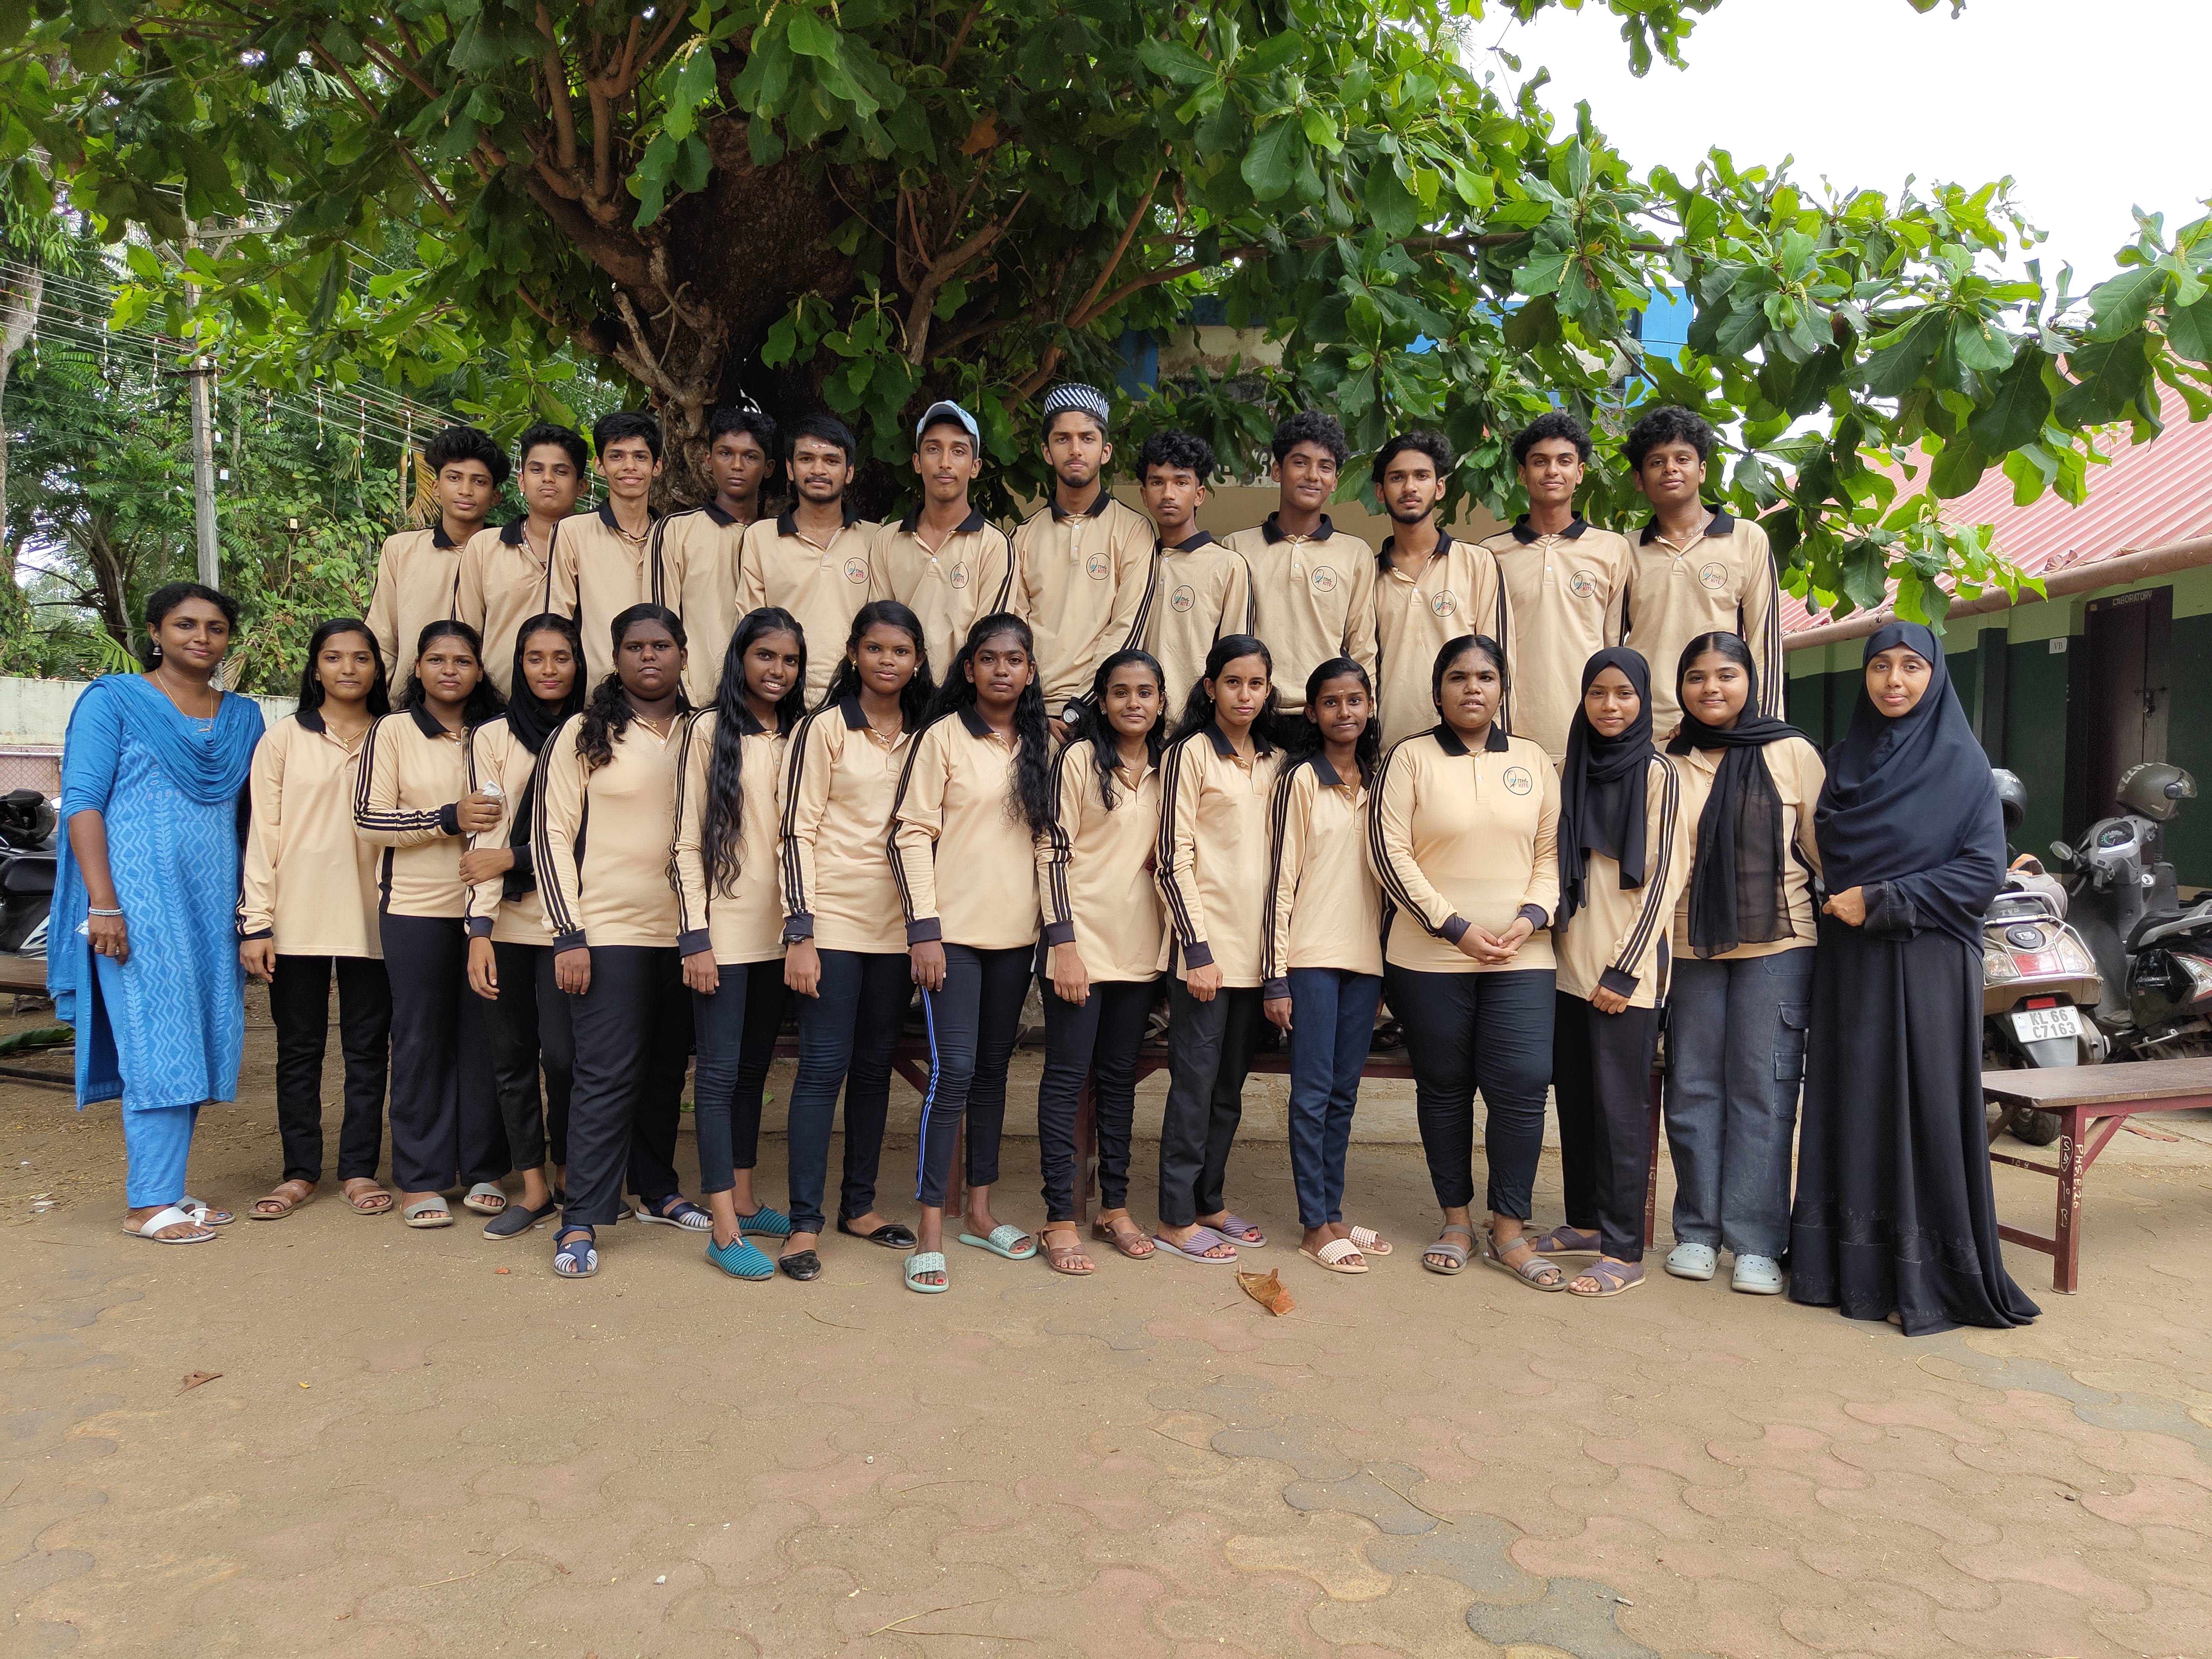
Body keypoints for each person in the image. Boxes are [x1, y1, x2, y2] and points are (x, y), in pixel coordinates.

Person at [1790, 622, 2040, 1335]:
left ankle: (1926, 1275)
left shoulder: (1964, 767)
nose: (1892, 681)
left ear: (1934, 677)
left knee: (1923, 1108)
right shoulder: (1842, 763)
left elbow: (1980, 874)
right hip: (1852, 965)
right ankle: (1846, 1270)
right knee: (1854, 1103)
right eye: (1879, 667)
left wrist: (1880, 898)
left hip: (1928, 964)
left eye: (1909, 666)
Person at [53, 583, 263, 1243]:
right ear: (155, 632)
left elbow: (254, 817)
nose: (201, 637)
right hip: (138, 901)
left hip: (214, 903)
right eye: (185, 624)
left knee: (202, 1039)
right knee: (158, 1041)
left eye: (215, 627)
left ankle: (167, 1188)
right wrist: (104, 903)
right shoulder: (113, 700)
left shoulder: (244, 718)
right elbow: (83, 802)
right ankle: (147, 1204)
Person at [1368, 635, 1561, 1287]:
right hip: (1428, 958)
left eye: (1484, 676)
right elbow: (1388, 852)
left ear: (1502, 687)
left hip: (1522, 955)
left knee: (1523, 1084)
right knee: (1444, 1087)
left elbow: (1551, 853)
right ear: (1437, 690)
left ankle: (1508, 1229)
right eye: (1457, 677)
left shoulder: (1532, 760)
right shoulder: (1409, 758)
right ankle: (1455, 1221)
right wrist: (1452, 927)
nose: (1471, 688)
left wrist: (1528, 919)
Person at [535, 605, 704, 1277]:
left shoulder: (704, 730)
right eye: (635, 646)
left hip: (689, 934)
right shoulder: (584, 733)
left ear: (683, 654)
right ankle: (581, 1218)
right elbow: (550, 835)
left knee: (666, 1071)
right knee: (605, 1075)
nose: (649, 657)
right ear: (616, 657)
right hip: (608, 932)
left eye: (661, 645)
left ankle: (658, 1191)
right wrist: (568, 934)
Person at [1660, 632, 1825, 1295]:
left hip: (1778, 947)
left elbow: (1823, 850)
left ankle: (1757, 1242)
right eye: (1696, 677)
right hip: (1686, 945)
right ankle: (1697, 1233)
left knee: (1763, 1090)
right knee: (1692, 1087)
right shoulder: (1666, 760)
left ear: (1749, 682)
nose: (1710, 688)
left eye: (1725, 675)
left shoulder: (1790, 753)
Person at [892, 614, 1054, 1289]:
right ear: (968, 669)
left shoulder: (1043, 744)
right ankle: (930, 1226)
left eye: (1014, 660)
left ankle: (980, 1214)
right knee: (952, 1071)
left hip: (1015, 939)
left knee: (991, 1072)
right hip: (951, 938)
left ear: (1030, 671)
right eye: (988, 659)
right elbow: (909, 834)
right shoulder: (941, 738)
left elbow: (1050, 843)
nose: (1001, 670)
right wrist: (923, 930)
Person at [776, 601, 936, 1279]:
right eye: (875, 648)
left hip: (898, 930)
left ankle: (859, 1207)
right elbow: (795, 830)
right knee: (822, 1070)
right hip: (833, 923)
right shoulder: (823, 730)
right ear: (852, 654)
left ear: (917, 662)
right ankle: (803, 1225)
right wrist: (800, 930)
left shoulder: (928, 733)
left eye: (900, 651)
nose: (886, 661)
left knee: (874, 1070)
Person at [353, 620, 508, 1230]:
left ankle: (485, 1168)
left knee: (486, 1040)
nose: (450, 670)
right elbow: (368, 819)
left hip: (491, 915)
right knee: (420, 1040)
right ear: (416, 668)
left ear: (479, 671)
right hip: (416, 909)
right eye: (437, 660)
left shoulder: (495, 732)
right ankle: (421, 1177)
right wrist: (448, 817)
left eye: (463, 661)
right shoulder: (393, 730)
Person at [238, 617, 394, 1221]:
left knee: (367, 1052)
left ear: (378, 669)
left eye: (361, 657)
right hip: (295, 920)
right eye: (334, 657)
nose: (348, 668)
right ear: (316, 668)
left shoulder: (394, 735)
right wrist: (256, 922)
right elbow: (263, 833)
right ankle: (299, 1173)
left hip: (375, 918)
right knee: (299, 1052)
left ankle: (358, 1169)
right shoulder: (284, 738)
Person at [1546, 647, 1688, 1299]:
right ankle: (1585, 1222)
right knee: (1576, 1104)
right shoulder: (1569, 768)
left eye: (1624, 694)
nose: (1609, 706)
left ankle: (1623, 1249)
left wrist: (1625, 971)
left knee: (1620, 1112)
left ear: (1643, 701)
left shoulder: (1658, 774)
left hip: (1622, 973)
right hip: (1566, 967)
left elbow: (1664, 878)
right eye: (1597, 693)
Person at [674, 607, 809, 1281]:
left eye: (789, 660)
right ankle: (722, 1227)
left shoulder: (803, 733)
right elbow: (683, 842)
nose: (777, 670)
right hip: (722, 935)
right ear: (740, 659)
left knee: (754, 1072)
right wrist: (695, 937)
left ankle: (748, 1200)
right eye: (765, 656)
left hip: (779, 935)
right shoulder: (708, 730)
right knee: (720, 1077)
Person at [1035, 649, 1169, 1266]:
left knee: (1118, 1082)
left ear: (1161, 702)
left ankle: (1113, 1208)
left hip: (1138, 951)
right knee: (1067, 1080)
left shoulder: (1170, 767)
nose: (1132, 703)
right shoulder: (1079, 760)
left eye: (1144, 692)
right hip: (1080, 946)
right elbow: (1051, 849)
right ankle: (1059, 1217)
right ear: (1103, 700)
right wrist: (1064, 945)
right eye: (1120, 692)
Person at [1153, 634, 1285, 1263]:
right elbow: (1171, 858)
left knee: (1228, 1089)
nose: (1244, 695)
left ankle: (1209, 1201)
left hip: (1255, 958)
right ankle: (1175, 1216)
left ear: (1268, 690)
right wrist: (1196, 950)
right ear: (1210, 688)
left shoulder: (1275, 761)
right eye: (1232, 682)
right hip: (1203, 955)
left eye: (1255, 684)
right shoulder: (1189, 754)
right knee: (1194, 1086)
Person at [462, 614, 586, 1239]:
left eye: (561, 657)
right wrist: (479, 929)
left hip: (570, 922)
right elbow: (483, 838)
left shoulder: (595, 731)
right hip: (507, 923)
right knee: (511, 1058)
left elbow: (589, 839)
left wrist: (512, 858)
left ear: (578, 663)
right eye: (535, 658)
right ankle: (533, 1186)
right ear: (518, 665)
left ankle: (568, 1174)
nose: (548, 669)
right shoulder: (493, 737)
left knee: (564, 1058)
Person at [1263, 658, 1389, 1275]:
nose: (1345, 711)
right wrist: (1275, 974)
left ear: (1369, 707)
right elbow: (1279, 879)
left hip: (1365, 962)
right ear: (1312, 712)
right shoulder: (1299, 780)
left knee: (1343, 1094)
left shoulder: (1379, 783)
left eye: (1355, 700)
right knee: (1312, 1094)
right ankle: (1314, 1225)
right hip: (1310, 958)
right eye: (1331, 702)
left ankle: (1333, 1213)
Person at [1481, 413, 1633, 765]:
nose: (1552, 471)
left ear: (1580, 472)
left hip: (1588, 732)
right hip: (1510, 732)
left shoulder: (1612, 549)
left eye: (1564, 461)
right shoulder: (1490, 554)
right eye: (1540, 462)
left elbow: (1613, 646)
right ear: (1522, 473)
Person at [1621, 405, 1781, 736]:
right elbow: (1608, 644)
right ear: (1639, 479)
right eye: (1656, 462)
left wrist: (1762, 729)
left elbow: (1765, 643)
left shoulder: (1746, 539)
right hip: (1643, 727)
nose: (1671, 469)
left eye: (1683, 459)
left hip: (1723, 723)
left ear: (1702, 470)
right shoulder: (1623, 551)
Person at [1011, 382, 1156, 740]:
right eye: (1063, 439)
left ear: (1105, 451)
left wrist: (1082, 705)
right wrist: (1034, 710)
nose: (1076, 450)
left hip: (1104, 712)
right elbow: (1013, 634)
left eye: (1087, 439)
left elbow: (1128, 627)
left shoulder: (1133, 530)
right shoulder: (1022, 537)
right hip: (1033, 716)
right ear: (1047, 452)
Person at [1221, 412, 1377, 717]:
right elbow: (1226, 643)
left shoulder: (1355, 553)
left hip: (1326, 715)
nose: (1313, 476)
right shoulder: (1236, 548)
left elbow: (1363, 647)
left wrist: (1366, 717)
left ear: (1335, 481)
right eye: (1301, 463)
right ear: (1277, 471)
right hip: (1255, 713)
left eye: (1325, 467)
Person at [1369, 432, 1510, 747]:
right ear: (1380, 491)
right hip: (1390, 744)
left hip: (1468, 747)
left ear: (1440, 487)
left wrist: (1497, 748)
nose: (1410, 487)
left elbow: (1498, 664)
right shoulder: (1369, 575)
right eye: (1397, 478)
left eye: (1422, 476)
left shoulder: (1477, 563)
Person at [738, 414, 878, 709]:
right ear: (790, 469)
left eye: (831, 460)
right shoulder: (760, 538)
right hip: (781, 697)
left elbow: (886, 627)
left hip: (857, 698)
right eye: (806, 459)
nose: (818, 470)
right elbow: (752, 629)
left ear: (849, 472)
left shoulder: (876, 539)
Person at [869, 400, 1017, 676]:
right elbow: (879, 630)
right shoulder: (887, 540)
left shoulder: (996, 545)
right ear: (917, 462)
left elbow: (989, 641)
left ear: (975, 467)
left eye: (958, 451)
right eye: (933, 449)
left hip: (963, 696)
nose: (945, 463)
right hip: (900, 693)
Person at [660, 405, 781, 707]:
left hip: (766, 705)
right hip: (694, 702)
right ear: (708, 460)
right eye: (726, 453)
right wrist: (685, 695)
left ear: (768, 468)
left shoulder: (781, 540)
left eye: (750, 456)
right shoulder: (677, 531)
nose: (737, 465)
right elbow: (661, 622)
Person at [367, 426, 506, 688]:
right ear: (436, 487)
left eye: (479, 482)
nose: (466, 490)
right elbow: (382, 641)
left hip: (490, 705)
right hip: (408, 703)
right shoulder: (401, 550)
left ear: (495, 496)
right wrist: (375, 706)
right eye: (454, 478)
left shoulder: (512, 556)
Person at [456, 423, 585, 696]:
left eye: (561, 471)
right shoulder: (485, 547)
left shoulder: (598, 549)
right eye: (537, 470)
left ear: (581, 486)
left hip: (582, 706)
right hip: (497, 704)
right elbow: (465, 636)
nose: (548, 479)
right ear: (522, 481)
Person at [1136, 429, 1254, 713]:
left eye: (1181, 483)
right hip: (1134, 720)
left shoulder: (1228, 566)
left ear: (1199, 494)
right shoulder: (1134, 560)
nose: (1168, 494)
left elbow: (1237, 661)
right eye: (1157, 483)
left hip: (1195, 724)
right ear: (1144, 495)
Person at [565, 411, 665, 686]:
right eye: (617, 456)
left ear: (657, 466)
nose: (629, 466)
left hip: (664, 690)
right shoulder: (573, 532)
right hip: (595, 690)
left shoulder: (673, 536)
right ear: (599, 465)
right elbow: (558, 620)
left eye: (640, 457)